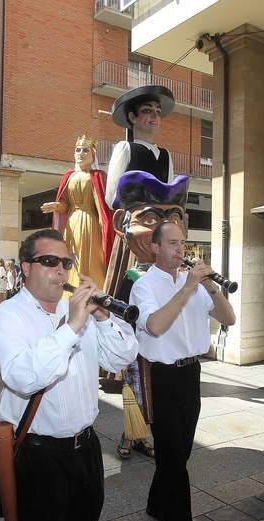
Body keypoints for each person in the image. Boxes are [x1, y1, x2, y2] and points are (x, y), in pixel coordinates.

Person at [0, 228, 138, 521]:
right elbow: (22, 377)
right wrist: (72, 327)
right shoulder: (7, 316)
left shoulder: (80, 314)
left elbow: (122, 357)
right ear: (26, 268)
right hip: (39, 456)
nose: (61, 270)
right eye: (50, 261)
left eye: (66, 263)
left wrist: (104, 318)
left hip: (87, 449)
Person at [130, 221, 235, 521]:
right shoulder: (144, 285)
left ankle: (155, 503)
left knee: (179, 454)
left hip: (190, 374)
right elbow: (156, 326)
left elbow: (228, 318)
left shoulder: (196, 284)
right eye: (173, 243)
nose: (180, 249)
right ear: (155, 247)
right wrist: (188, 287)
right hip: (161, 377)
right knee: (175, 463)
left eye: (182, 243)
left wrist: (212, 287)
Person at [110, 170, 190, 461]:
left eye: (174, 219)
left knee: (157, 404)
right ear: (122, 224)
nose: (163, 231)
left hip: (170, 359)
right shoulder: (130, 276)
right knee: (136, 396)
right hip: (139, 349)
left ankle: (142, 437)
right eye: (151, 220)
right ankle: (131, 437)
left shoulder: (181, 276)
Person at [42, 135, 114, 289]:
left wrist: (105, 228)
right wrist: (56, 206)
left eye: (85, 150)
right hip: (71, 222)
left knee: (89, 258)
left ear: (93, 155)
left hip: (90, 223)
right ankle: (69, 289)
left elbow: (102, 206)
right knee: (70, 256)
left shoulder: (98, 176)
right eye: (78, 150)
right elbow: (65, 205)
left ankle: (90, 289)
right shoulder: (69, 176)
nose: (81, 153)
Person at [105, 85, 175, 209]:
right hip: (134, 220)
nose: (155, 116)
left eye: (158, 111)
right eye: (147, 110)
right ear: (132, 117)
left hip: (159, 219)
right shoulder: (125, 148)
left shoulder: (165, 155)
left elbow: (168, 191)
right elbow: (111, 195)